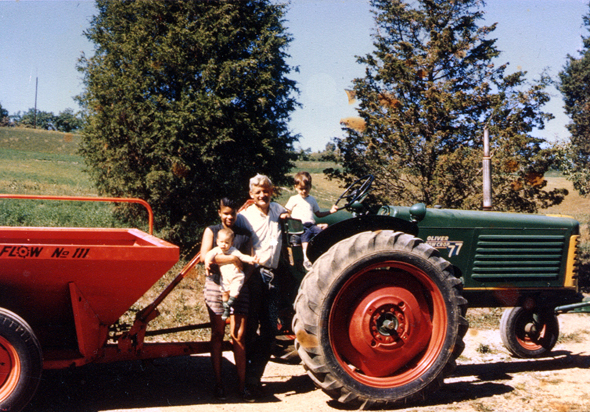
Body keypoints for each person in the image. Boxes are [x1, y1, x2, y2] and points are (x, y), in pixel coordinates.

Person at [237, 173, 289, 398]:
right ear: (251, 194)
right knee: (249, 329)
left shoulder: (277, 209)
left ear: (271, 192)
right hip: (254, 276)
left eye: (266, 191)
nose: (263, 195)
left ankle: (253, 378)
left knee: (269, 331)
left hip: (272, 276)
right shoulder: (244, 217)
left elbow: (290, 214)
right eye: (258, 192)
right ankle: (245, 381)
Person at [199, 198, 255, 401]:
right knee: (217, 334)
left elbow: (250, 263)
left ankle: (241, 386)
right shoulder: (211, 231)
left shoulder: (244, 235)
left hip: (239, 289)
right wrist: (232, 258)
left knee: (238, 336)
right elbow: (204, 257)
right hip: (216, 286)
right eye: (226, 213)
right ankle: (219, 384)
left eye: (233, 213)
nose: (230, 217)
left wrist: (240, 285)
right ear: (219, 213)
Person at [284, 171, 338, 268]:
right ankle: (306, 258)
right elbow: (287, 212)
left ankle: (323, 256)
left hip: (311, 224)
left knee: (322, 233)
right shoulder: (293, 199)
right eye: (301, 189)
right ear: (296, 187)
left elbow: (318, 214)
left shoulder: (312, 199)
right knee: (306, 234)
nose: (304, 191)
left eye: (306, 188)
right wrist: (286, 216)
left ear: (310, 187)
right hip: (299, 226)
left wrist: (331, 211)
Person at [204, 227, 259, 321]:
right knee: (224, 292)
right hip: (225, 277)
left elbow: (242, 257)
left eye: (227, 242)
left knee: (235, 291)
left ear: (231, 243)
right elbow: (208, 255)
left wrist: (252, 259)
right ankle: (226, 309)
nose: (224, 245)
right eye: (221, 242)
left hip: (236, 275)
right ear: (217, 241)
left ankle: (230, 303)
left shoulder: (233, 250)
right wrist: (207, 263)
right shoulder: (217, 250)